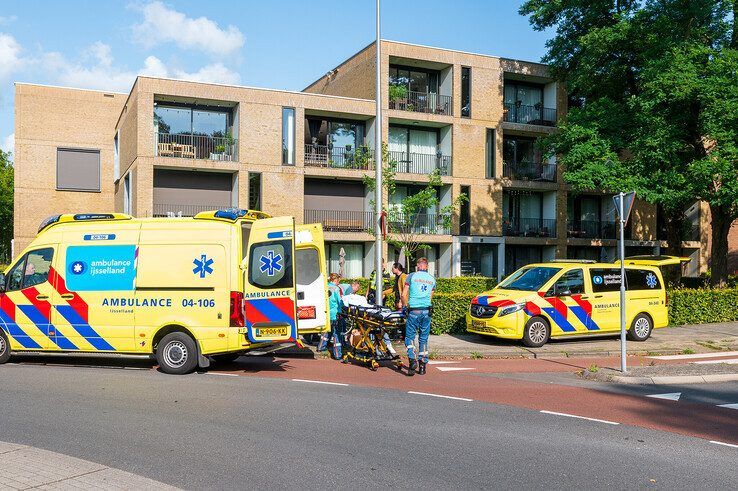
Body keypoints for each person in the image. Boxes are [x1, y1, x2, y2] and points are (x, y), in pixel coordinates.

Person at [402, 257, 436, 376]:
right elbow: (430, 297)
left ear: (417, 266)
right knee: (423, 338)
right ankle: (422, 366)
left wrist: (405, 307)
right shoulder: (432, 279)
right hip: (426, 311)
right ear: (426, 267)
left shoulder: (411, 276)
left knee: (409, 336)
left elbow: (403, 294)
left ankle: (412, 360)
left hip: (413, 310)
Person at [317, 273, 344, 360]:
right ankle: (337, 354)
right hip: (334, 313)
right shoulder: (336, 289)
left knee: (326, 331)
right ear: (336, 280)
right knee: (336, 333)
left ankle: (320, 347)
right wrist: (341, 310)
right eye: (338, 281)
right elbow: (339, 302)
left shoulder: (325, 286)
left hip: (326, 313)